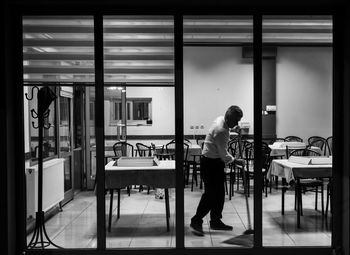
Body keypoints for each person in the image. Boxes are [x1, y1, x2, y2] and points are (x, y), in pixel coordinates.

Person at [190, 105, 243, 236]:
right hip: (211, 164)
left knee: (219, 194)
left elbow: (222, 151)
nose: (237, 123)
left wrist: (235, 128)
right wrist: (236, 160)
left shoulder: (221, 119)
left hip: (213, 162)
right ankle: (196, 220)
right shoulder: (221, 130)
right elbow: (224, 154)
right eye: (236, 120)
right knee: (211, 195)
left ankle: (215, 221)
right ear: (229, 117)